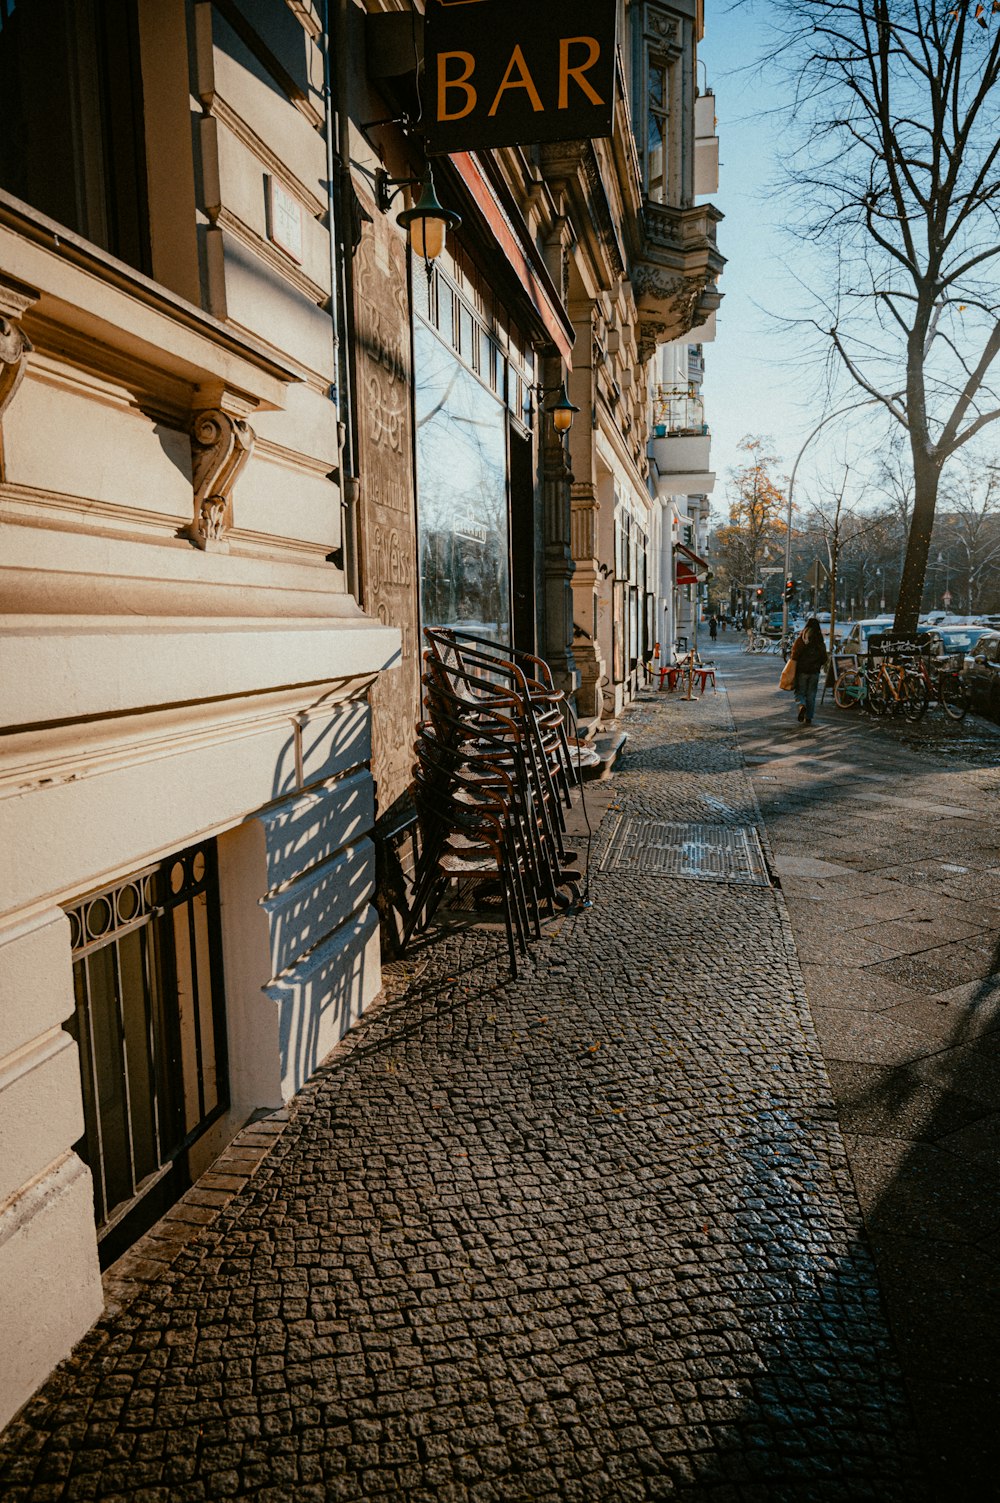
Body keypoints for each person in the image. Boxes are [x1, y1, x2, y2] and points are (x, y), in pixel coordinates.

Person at [789, 617, 828, 725]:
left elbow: (795, 654)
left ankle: (801, 705)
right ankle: (809, 717)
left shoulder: (801, 638)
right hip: (814, 671)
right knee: (811, 695)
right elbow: (824, 657)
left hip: (802, 670)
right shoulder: (819, 640)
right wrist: (818, 663)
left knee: (799, 692)